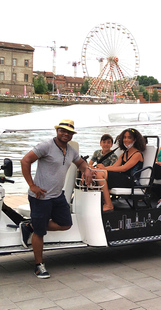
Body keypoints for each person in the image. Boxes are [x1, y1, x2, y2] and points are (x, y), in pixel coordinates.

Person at [20, 119, 93, 279]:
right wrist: (32, 185)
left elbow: (80, 162)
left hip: (57, 195)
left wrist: (86, 169)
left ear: (72, 134)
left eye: (69, 132)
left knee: (66, 224)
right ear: (57, 131)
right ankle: (38, 266)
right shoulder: (46, 146)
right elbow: (25, 161)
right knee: (40, 233)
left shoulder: (71, 150)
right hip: (41, 196)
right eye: (63, 131)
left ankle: (31, 226)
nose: (66, 134)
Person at [95, 128, 146, 212]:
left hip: (131, 181)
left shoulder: (137, 154)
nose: (126, 140)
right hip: (123, 179)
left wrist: (104, 168)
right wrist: (100, 168)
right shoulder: (124, 154)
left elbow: (124, 168)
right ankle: (101, 202)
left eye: (129, 137)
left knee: (100, 174)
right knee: (96, 173)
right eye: (124, 137)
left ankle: (109, 204)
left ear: (135, 140)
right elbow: (114, 167)